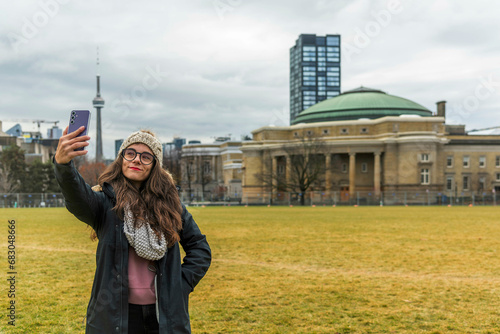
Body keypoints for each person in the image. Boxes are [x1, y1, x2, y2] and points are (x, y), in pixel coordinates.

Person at [54, 126, 211, 334]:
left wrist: (180, 285)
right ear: (122, 159)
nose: (137, 160)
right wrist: (64, 165)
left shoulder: (172, 206)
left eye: (146, 156)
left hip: (164, 315)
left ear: (155, 165)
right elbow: (76, 197)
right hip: (115, 316)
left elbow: (199, 247)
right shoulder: (104, 203)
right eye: (131, 153)